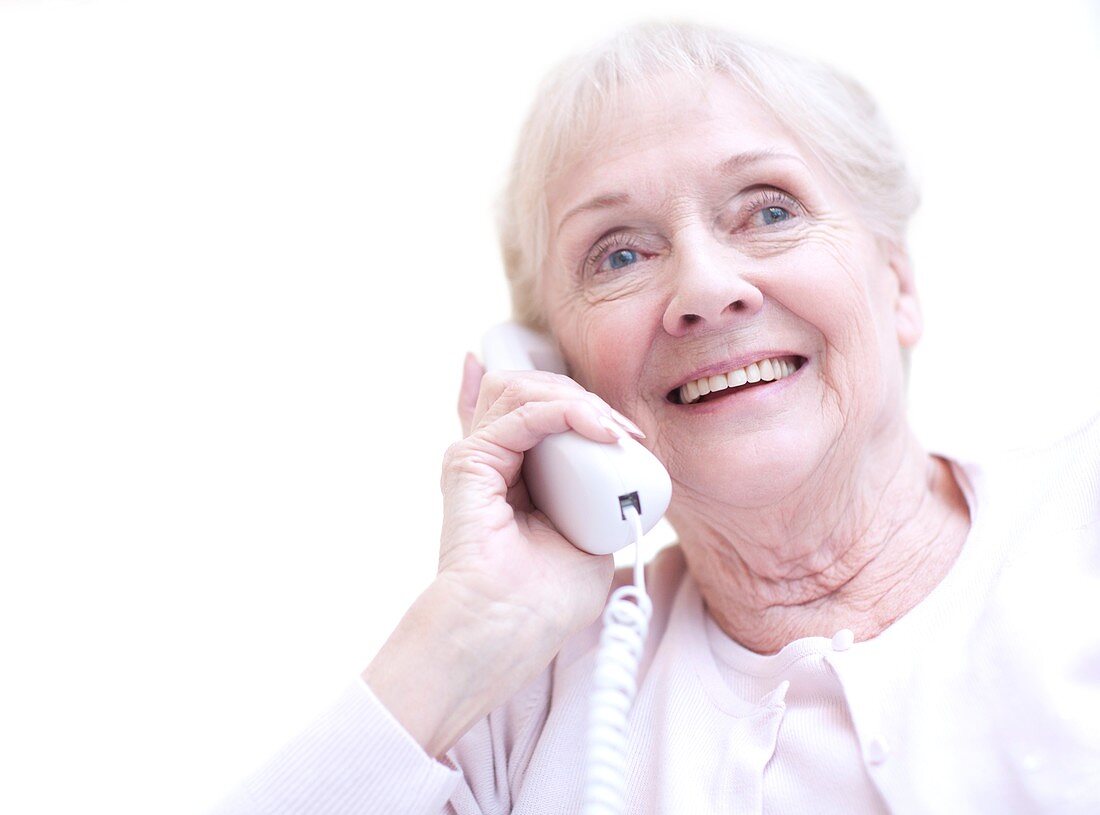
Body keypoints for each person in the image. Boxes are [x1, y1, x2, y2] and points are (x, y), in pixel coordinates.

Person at [211, 21, 1100, 814]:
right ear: (556, 364)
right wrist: (464, 637)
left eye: (769, 209)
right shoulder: (528, 704)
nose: (706, 290)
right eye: (621, 254)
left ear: (899, 286)